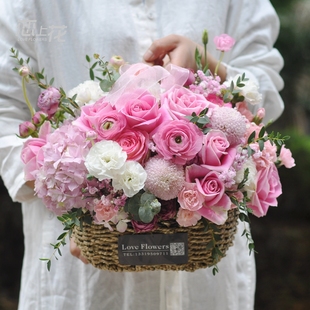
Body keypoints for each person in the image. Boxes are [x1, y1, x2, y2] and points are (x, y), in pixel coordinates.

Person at [0, 1, 284, 309]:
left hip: (206, 264)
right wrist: (80, 194)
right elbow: (6, 114)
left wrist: (209, 64)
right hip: (82, 275)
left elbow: (263, 80)